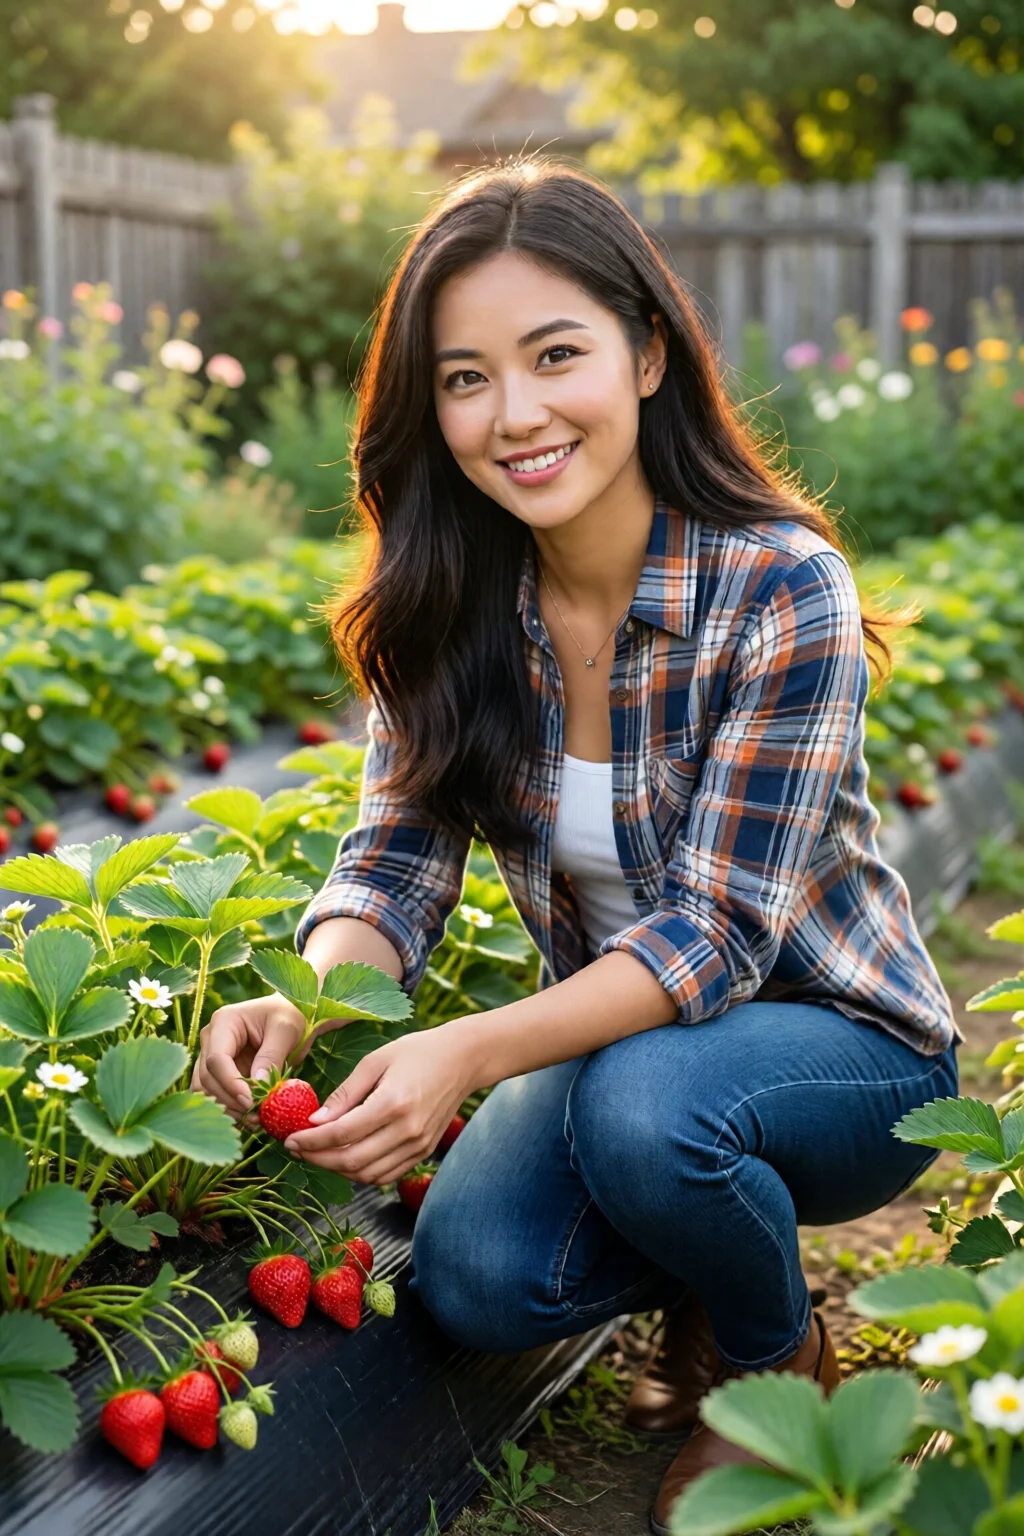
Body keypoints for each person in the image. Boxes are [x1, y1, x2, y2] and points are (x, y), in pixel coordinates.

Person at [194, 159, 959, 1532]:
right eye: (466, 377)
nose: (516, 414)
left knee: (649, 1115)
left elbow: (717, 937)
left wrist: (467, 1051)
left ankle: (775, 1364)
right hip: (625, 1051)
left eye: (556, 356)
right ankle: (709, 1260)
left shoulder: (780, 587)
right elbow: (394, 862)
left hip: (845, 1050)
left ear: (647, 354)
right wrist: (306, 1003)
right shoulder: (452, 601)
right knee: (478, 1277)